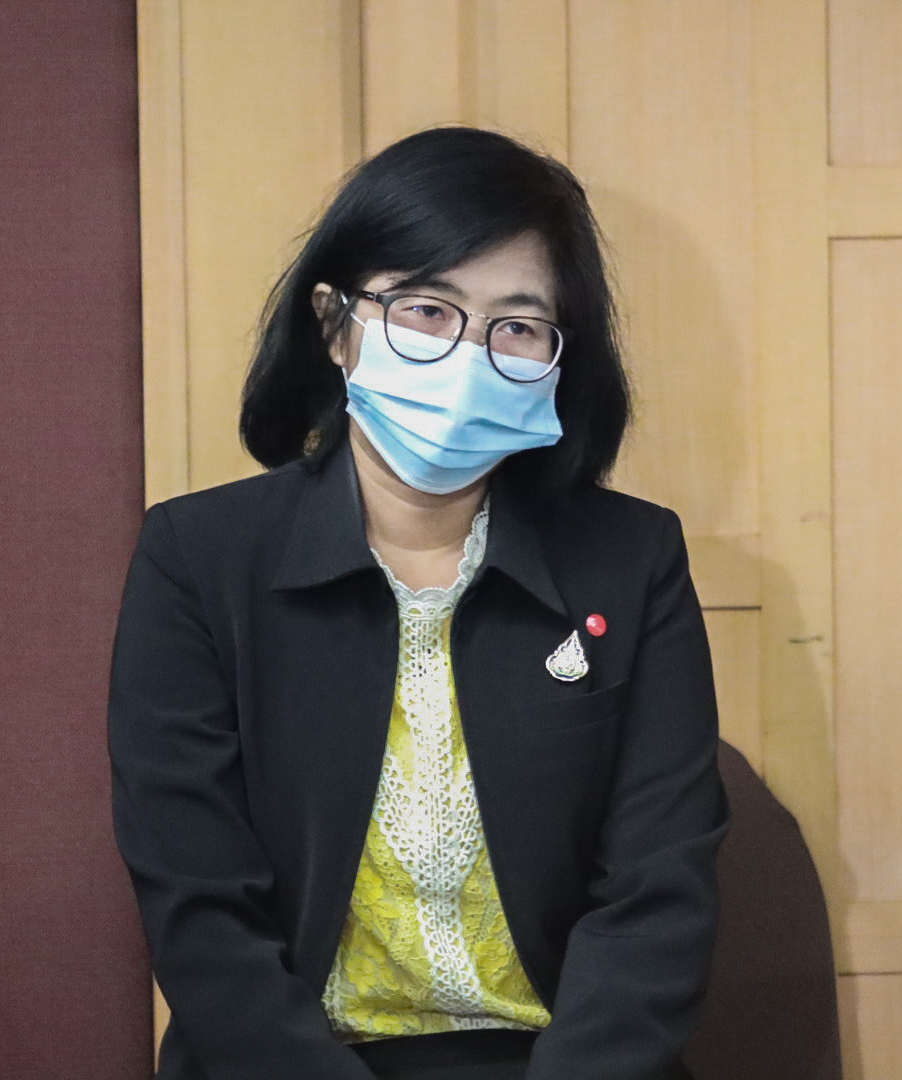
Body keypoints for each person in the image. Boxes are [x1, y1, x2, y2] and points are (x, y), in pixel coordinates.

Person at [109, 126, 729, 1080]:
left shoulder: (632, 560)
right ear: (334, 324)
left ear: (558, 360)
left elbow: (659, 890)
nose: (469, 356)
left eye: (516, 326)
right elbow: (200, 908)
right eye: (428, 310)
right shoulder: (197, 558)